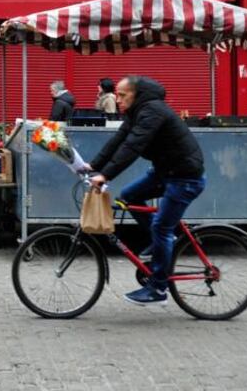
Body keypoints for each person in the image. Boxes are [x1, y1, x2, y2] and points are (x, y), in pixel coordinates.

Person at [82, 75, 205, 306]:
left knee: (161, 226)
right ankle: (162, 243)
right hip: (165, 172)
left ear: (136, 95)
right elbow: (119, 139)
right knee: (128, 197)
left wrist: (106, 175)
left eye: (122, 95)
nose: (117, 100)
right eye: (116, 95)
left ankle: (158, 289)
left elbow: (133, 146)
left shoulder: (152, 111)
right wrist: (94, 165)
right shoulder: (136, 111)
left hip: (184, 177)